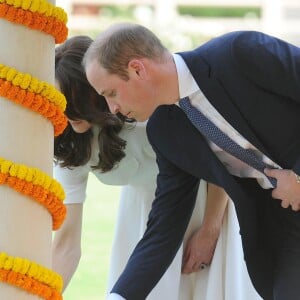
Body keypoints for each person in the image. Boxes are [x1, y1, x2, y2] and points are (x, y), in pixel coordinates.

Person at [83, 23, 300, 300]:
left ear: (137, 69)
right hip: (284, 227)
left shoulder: (239, 53)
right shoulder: (164, 132)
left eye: (110, 93)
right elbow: (165, 225)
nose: (112, 109)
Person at [52, 35, 262, 300]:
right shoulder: (70, 145)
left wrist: (210, 228)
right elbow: (66, 244)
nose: (67, 112)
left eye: (73, 101)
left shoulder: (144, 113)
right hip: (141, 218)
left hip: (205, 206)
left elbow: (217, 158)